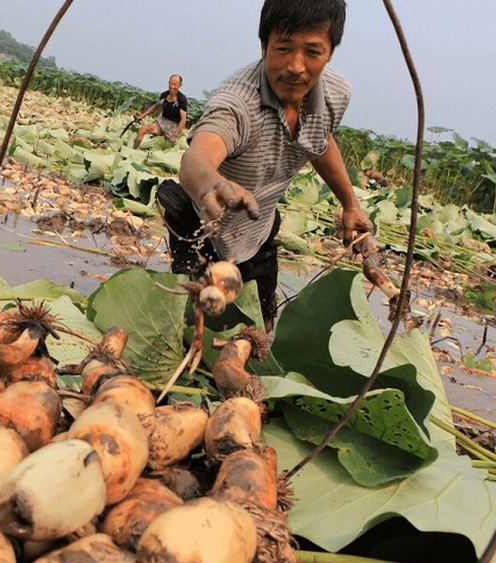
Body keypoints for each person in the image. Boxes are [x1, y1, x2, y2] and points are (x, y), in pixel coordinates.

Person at [158, 0, 373, 331]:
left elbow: (320, 141)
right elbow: (196, 158)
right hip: (205, 230)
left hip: (258, 228)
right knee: (195, 329)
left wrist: (350, 204)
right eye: (283, 49)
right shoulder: (237, 103)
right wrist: (211, 185)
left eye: (313, 52)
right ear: (264, 45)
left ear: (330, 53)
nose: (296, 67)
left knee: (259, 331)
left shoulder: (335, 93)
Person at [132, 74, 188, 149]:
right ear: (168, 82)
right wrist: (141, 116)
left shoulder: (181, 99)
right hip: (162, 121)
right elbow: (155, 107)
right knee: (143, 129)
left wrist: (175, 135)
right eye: (171, 84)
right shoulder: (164, 95)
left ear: (180, 85)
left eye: (175, 85)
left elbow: (183, 119)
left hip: (173, 126)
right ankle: (132, 151)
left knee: (171, 147)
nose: (172, 87)